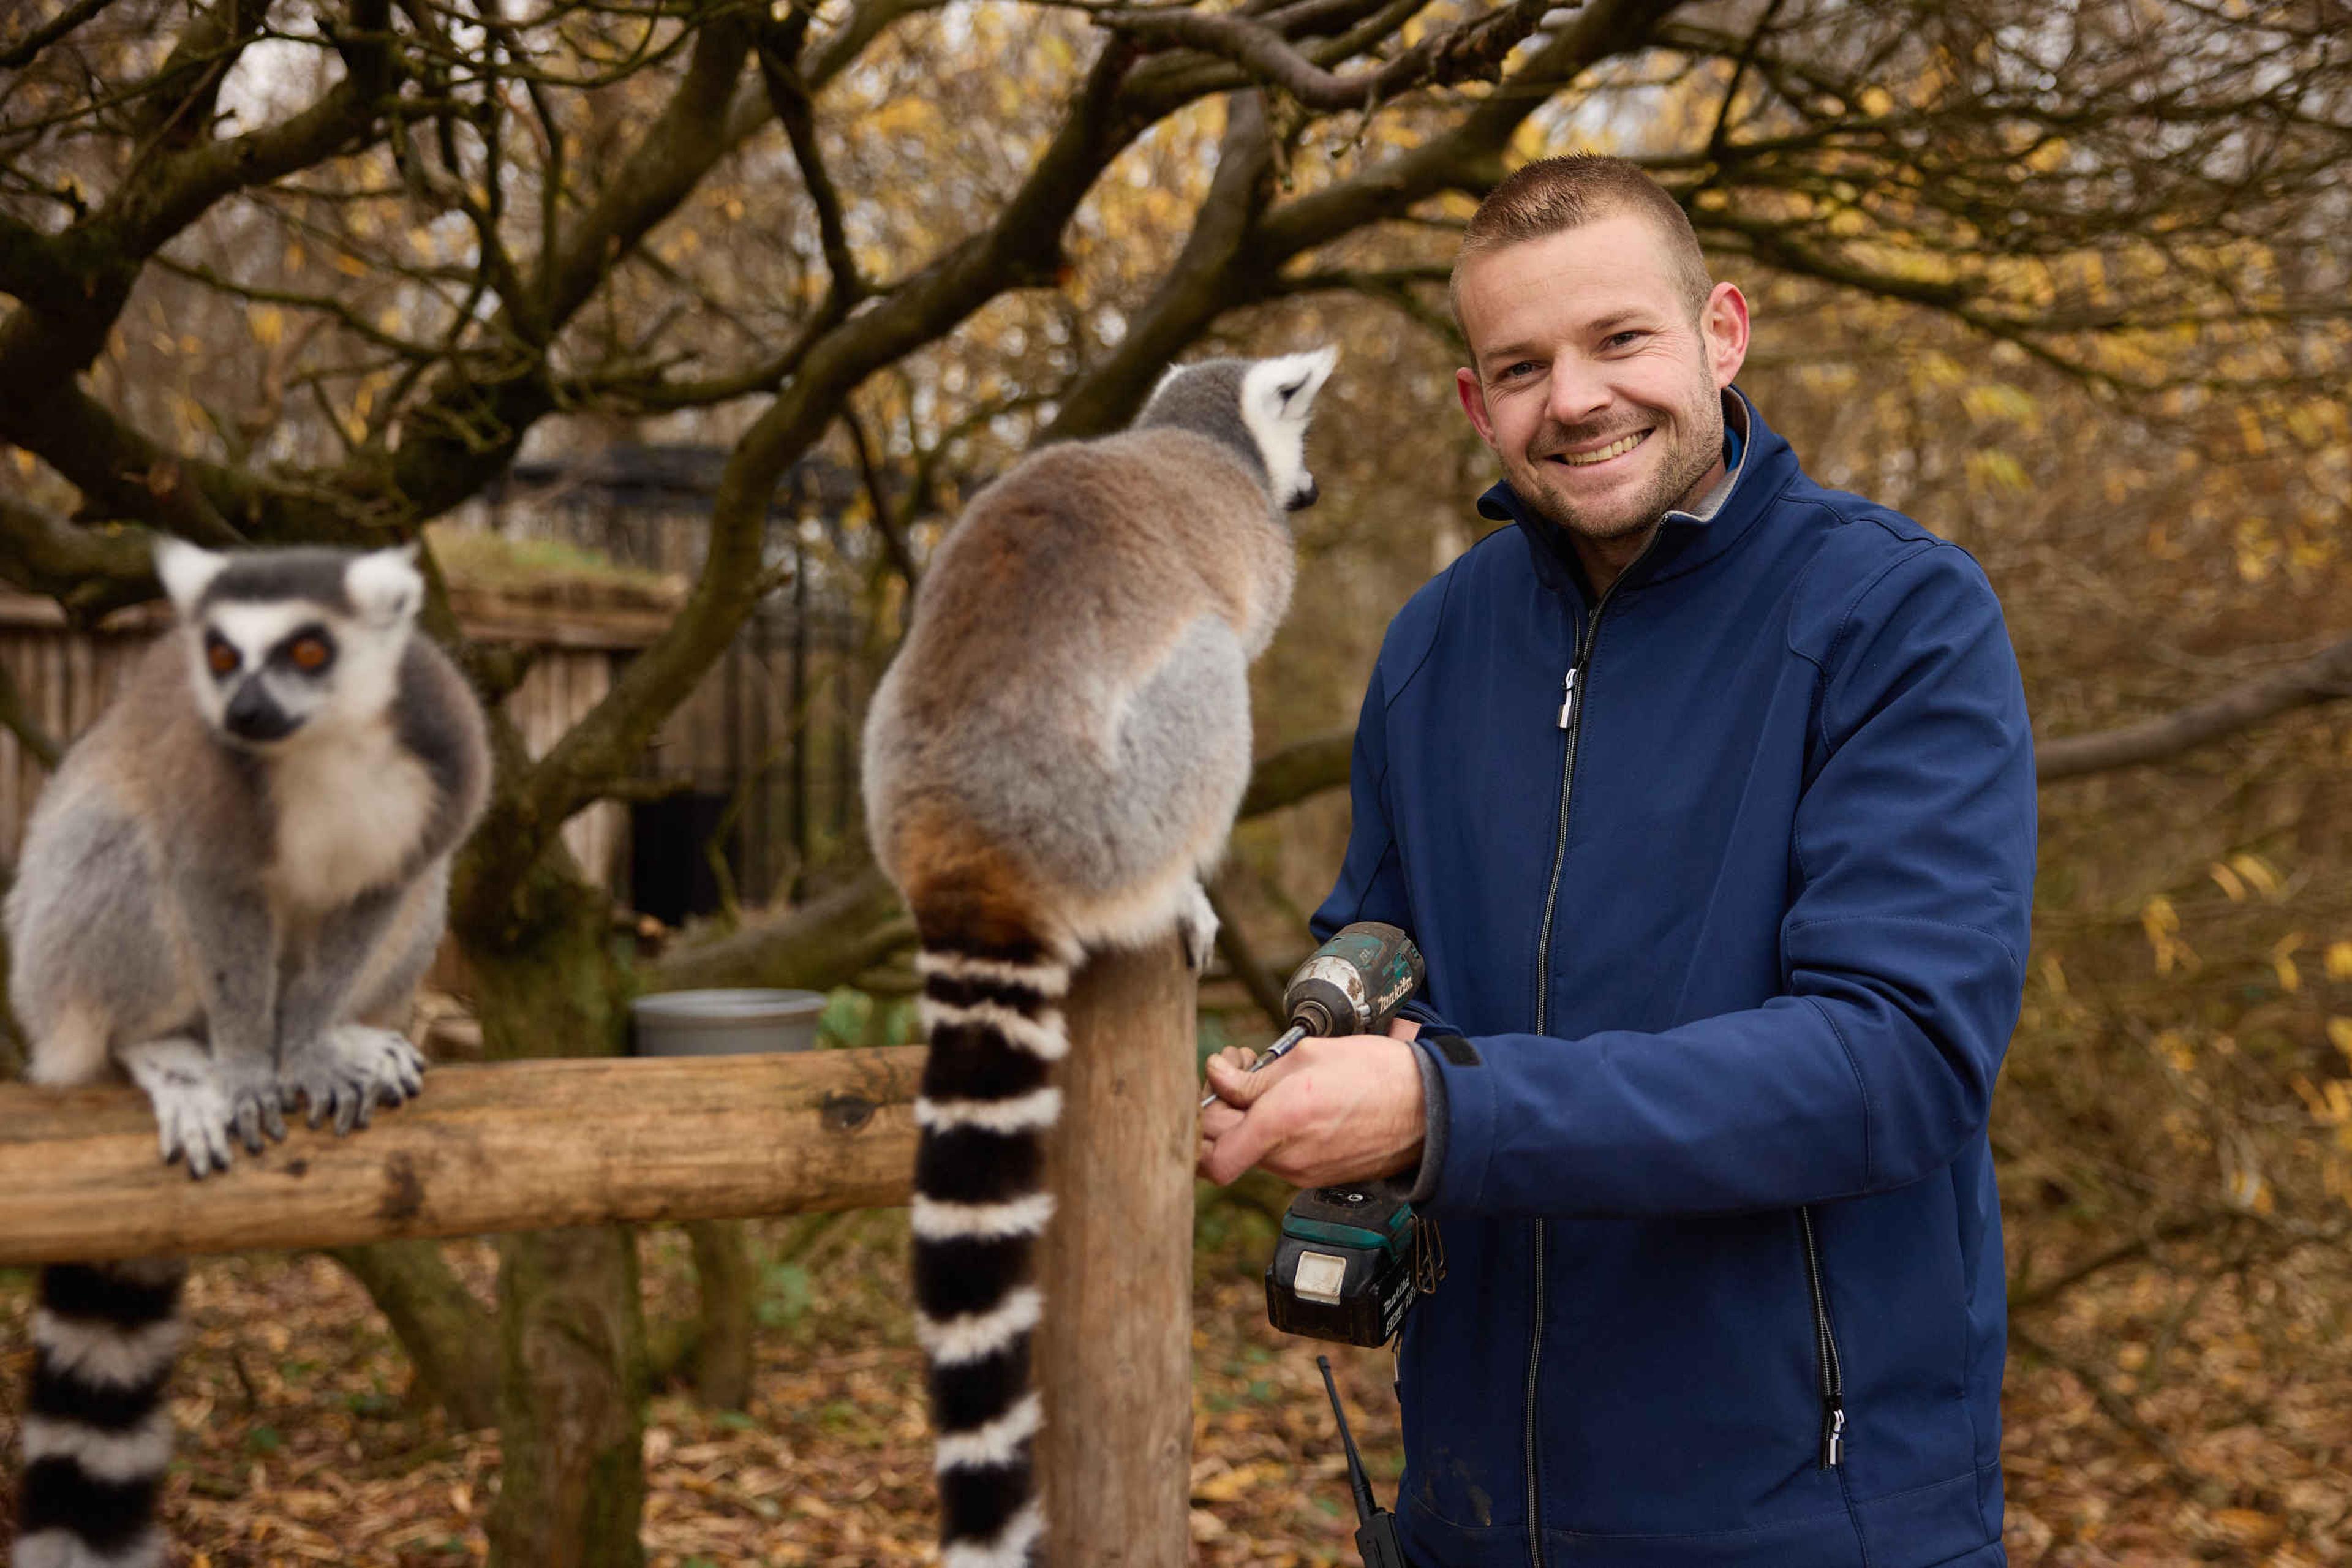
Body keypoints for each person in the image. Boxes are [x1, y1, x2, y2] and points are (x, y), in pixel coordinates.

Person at [1198, 154, 2035, 1568]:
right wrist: (1312, 1078)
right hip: (1473, 1517)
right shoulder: (1433, 648)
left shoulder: (1899, 618)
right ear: (1476, 402)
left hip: (1811, 1519)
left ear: (1722, 332)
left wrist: (1441, 1112)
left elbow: (1896, 1060)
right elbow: (1380, 964)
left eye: (1620, 340)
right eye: (1519, 364)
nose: (1574, 398)